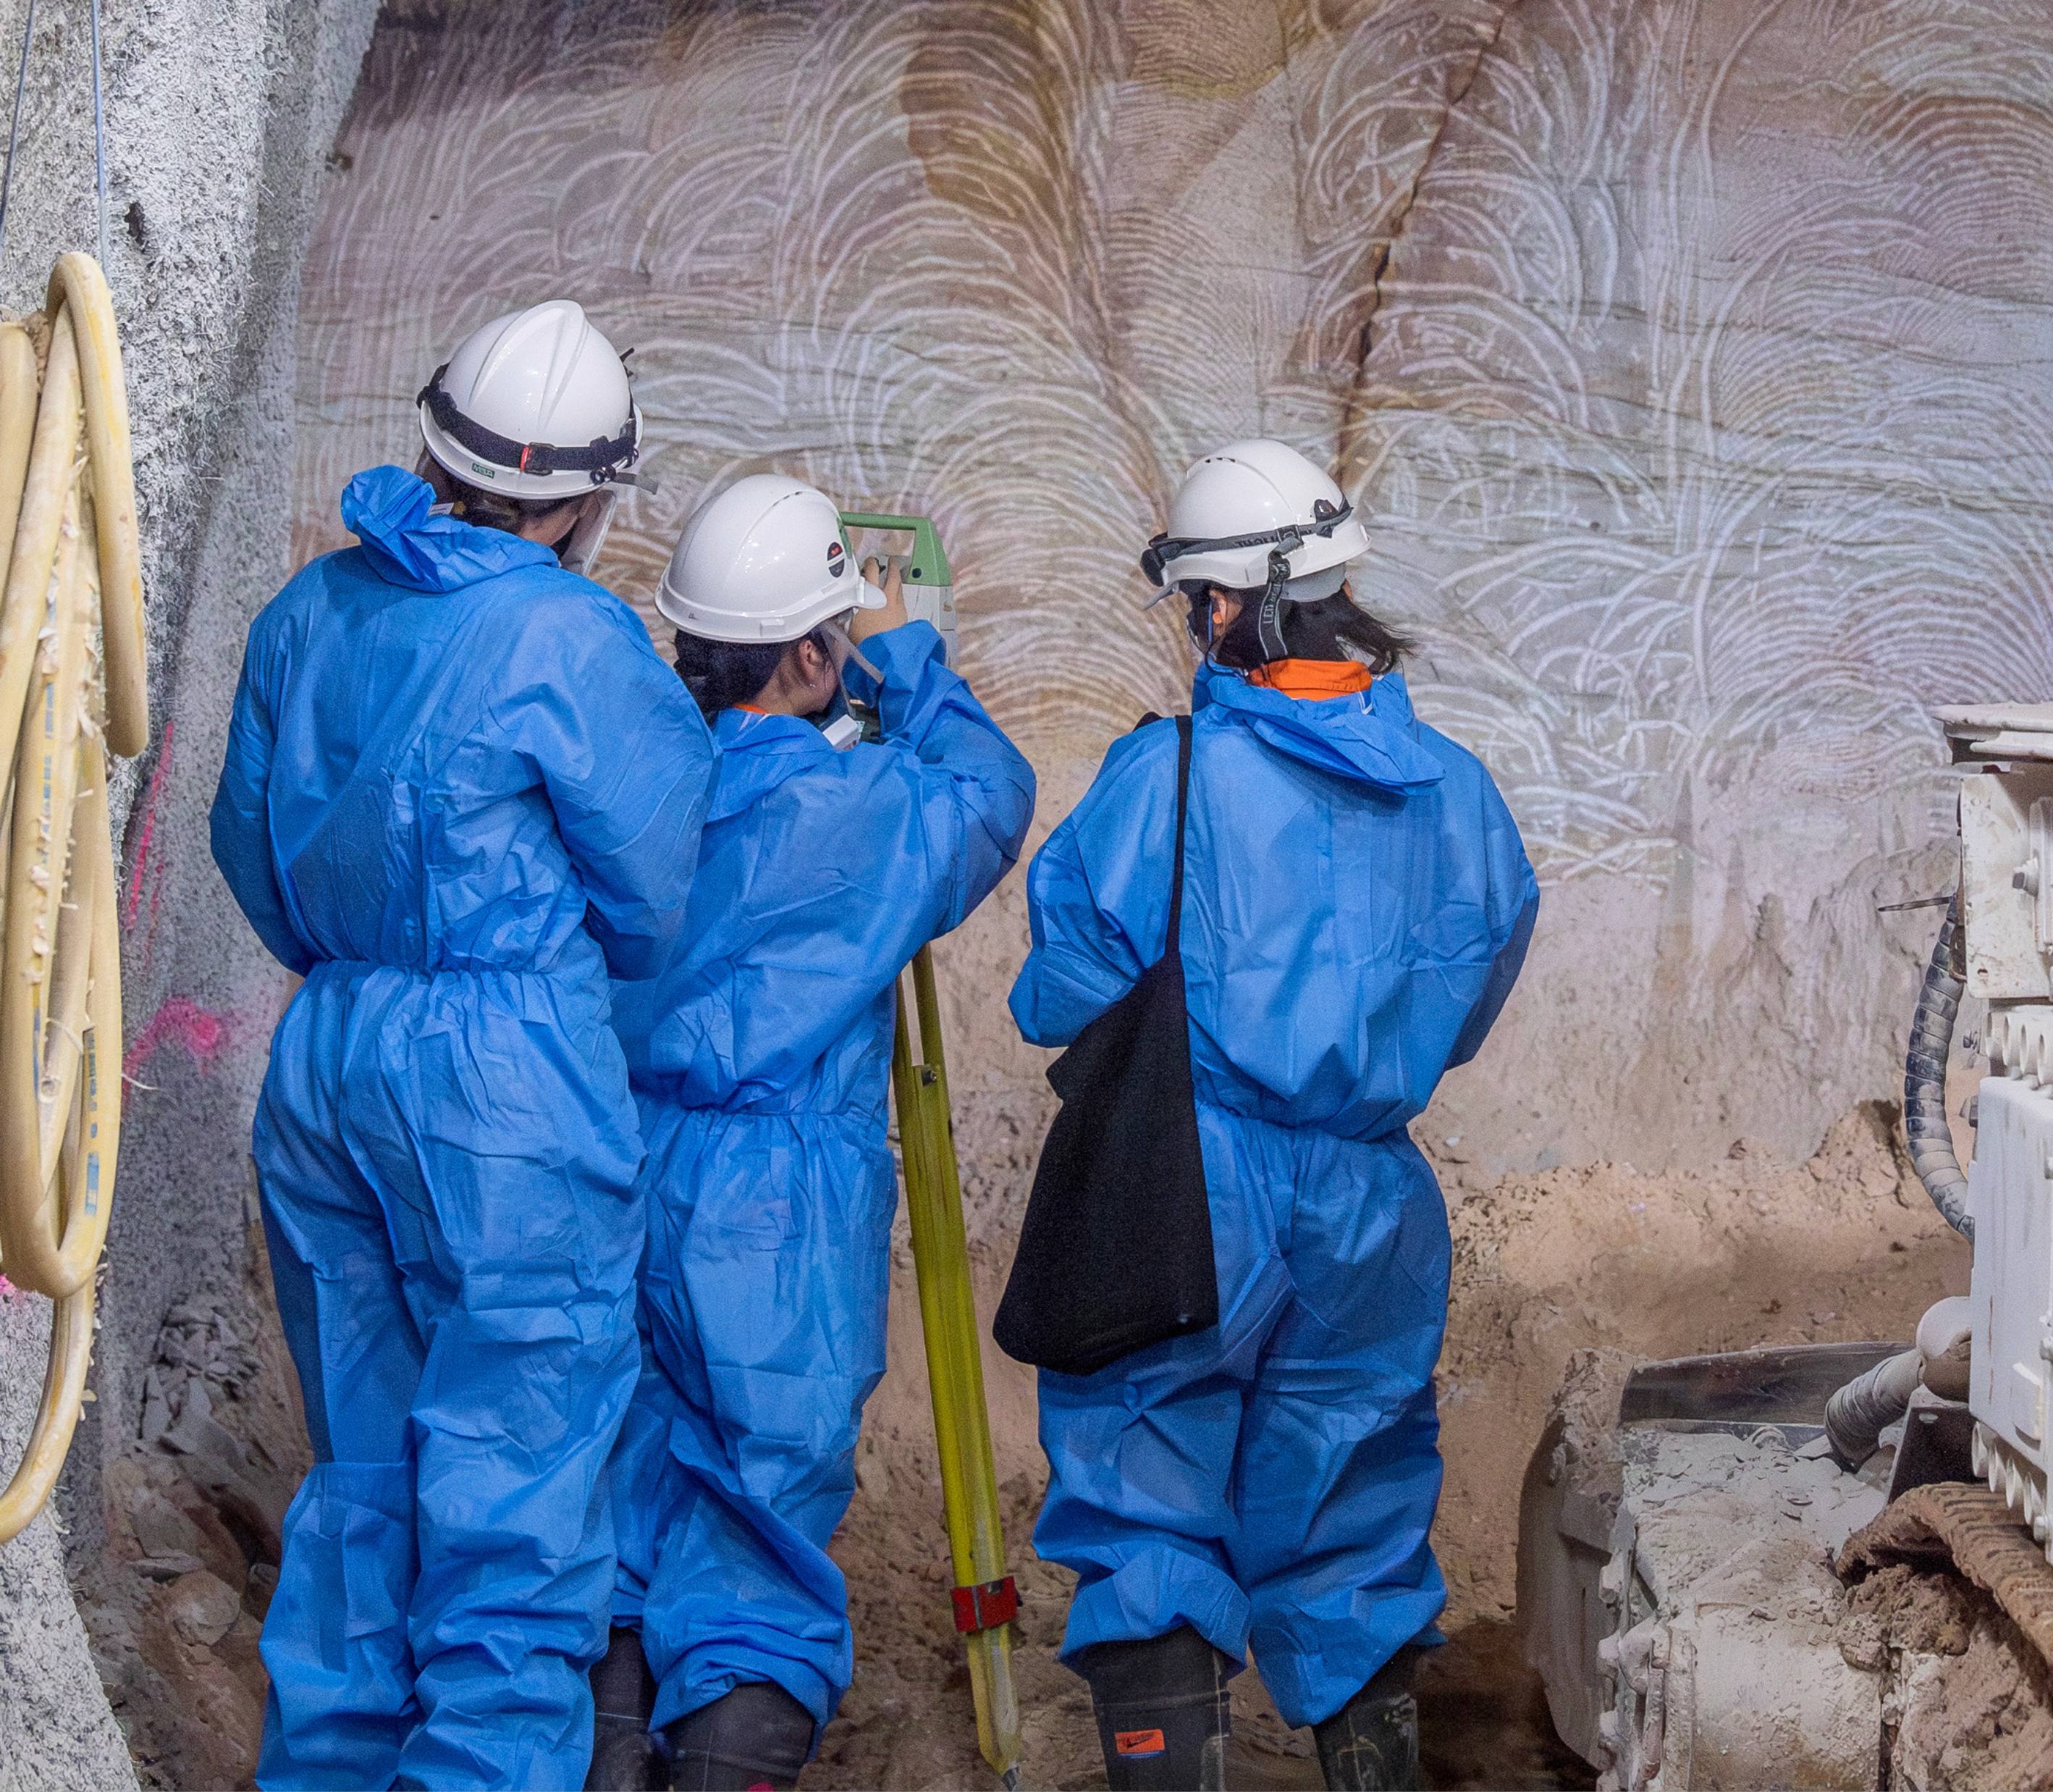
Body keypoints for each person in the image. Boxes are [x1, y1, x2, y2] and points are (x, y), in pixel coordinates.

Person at [210, 298, 716, 1790]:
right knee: (516, 1480)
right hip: (501, 1073)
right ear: (585, 499)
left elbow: (249, 845)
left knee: (365, 1471)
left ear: (433, 444)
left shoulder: (307, 609)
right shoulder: (569, 632)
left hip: (328, 1051)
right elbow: (652, 887)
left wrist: (366, 970)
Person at [1011, 440, 1539, 1791]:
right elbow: (1466, 1012)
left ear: (1225, 607)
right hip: (1373, 1207)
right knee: (1352, 1519)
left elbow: (1058, 992)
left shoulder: (1171, 777)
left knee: (1147, 1496)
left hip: (1199, 1185)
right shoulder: (1463, 797)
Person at [594, 475, 1035, 1791]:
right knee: (759, 1527)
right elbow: (990, 794)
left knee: (619, 1504)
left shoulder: (628, 791)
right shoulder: (864, 809)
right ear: (810, 652)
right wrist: (900, 651)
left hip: (618, 1168)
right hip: (771, 1210)